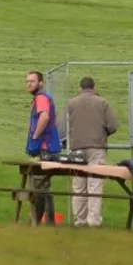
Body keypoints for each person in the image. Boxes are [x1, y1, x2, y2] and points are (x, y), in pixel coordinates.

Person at [64, 75, 120, 227]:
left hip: (76, 148)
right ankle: (93, 221)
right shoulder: (102, 102)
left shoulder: (71, 103)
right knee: (94, 184)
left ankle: (79, 220)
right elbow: (113, 126)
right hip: (96, 147)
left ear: (80, 88)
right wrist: (102, 134)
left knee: (78, 186)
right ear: (94, 87)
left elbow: (63, 126)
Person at [24, 70, 60, 226]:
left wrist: (35, 136)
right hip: (47, 146)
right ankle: (49, 221)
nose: (29, 84)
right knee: (45, 186)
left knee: (38, 185)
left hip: (43, 148)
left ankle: (37, 222)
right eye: (27, 81)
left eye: (32, 81)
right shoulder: (42, 98)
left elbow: (44, 117)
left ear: (41, 83)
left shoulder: (41, 98)